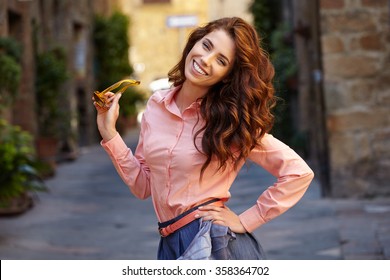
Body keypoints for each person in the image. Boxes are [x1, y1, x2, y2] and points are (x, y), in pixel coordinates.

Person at [94, 17, 314, 260]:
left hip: (210, 241)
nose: (205, 61)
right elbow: (143, 186)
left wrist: (247, 220)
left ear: (227, 76)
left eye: (221, 61)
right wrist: (110, 133)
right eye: (207, 46)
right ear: (195, 42)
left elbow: (298, 172)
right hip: (169, 244)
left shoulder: (230, 121)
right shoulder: (156, 106)